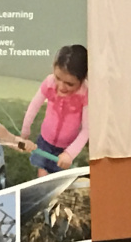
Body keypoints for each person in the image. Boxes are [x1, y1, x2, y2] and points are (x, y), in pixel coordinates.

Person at [21, 44, 89, 177]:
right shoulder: (49, 83)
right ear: (53, 67)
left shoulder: (85, 94)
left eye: (69, 84)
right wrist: (25, 131)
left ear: (83, 79)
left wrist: (70, 153)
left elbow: (87, 129)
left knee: (57, 175)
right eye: (58, 78)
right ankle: (41, 177)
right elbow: (34, 106)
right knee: (41, 167)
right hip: (45, 139)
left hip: (66, 146)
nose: (61, 86)